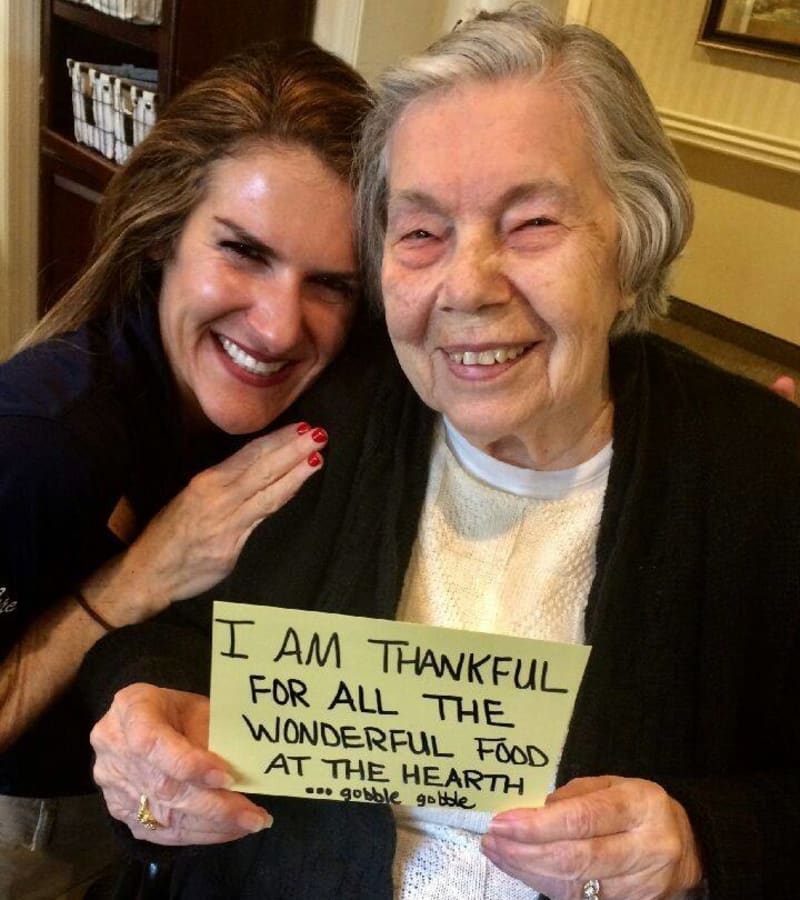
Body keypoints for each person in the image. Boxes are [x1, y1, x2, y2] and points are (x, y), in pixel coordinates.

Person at [82, 5, 800, 899]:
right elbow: (173, 642)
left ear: (634, 240)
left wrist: (703, 844)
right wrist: (144, 714)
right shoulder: (318, 424)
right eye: (420, 233)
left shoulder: (761, 476)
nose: (467, 285)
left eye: (532, 222)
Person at [0, 41, 372, 899]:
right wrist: (131, 582)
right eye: (243, 251)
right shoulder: (42, 443)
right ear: (164, 231)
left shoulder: (330, 393)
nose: (279, 326)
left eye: (331, 284)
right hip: (46, 827)